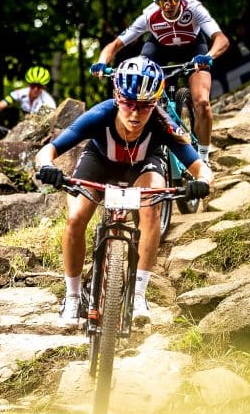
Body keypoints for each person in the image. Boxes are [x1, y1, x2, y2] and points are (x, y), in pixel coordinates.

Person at [35, 56, 213, 326]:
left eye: (144, 106)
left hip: (142, 165)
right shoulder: (100, 114)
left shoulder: (162, 123)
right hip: (99, 162)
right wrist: (47, 165)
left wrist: (202, 182)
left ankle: (139, 294)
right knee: (75, 219)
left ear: (155, 103)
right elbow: (48, 150)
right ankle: (71, 298)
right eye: (129, 103)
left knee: (151, 208)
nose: (135, 113)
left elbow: (201, 167)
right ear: (118, 97)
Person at [91, 0, 229, 163]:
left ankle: (204, 157)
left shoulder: (194, 9)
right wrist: (101, 62)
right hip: (159, 48)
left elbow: (221, 39)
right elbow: (114, 45)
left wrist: (209, 56)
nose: (168, 5)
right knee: (138, 92)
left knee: (203, 103)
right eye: (162, 1)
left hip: (193, 49)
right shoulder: (149, 15)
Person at [0, 66, 57, 130]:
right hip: (22, 125)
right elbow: (0, 105)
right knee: (12, 111)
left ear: (44, 86)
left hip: (38, 128)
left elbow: (52, 121)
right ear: (29, 84)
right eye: (33, 85)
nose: (35, 89)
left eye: (39, 86)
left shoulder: (49, 101)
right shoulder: (21, 93)